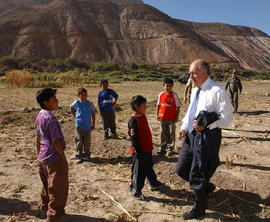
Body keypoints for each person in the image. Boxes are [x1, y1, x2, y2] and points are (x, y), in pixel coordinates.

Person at [176, 59, 234, 220]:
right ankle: (205, 187)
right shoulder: (196, 90)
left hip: (208, 136)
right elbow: (191, 111)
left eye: (193, 73)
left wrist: (207, 125)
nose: (190, 76)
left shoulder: (217, 90)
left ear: (204, 73)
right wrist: (184, 126)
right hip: (191, 135)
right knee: (181, 169)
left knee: (197, 173)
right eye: (190, 73)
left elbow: (226, 117)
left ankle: (199, 209)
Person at [35, 88, 69, 222]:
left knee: (46, 186)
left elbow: (38, 138)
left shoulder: (40, 115)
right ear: (46, 103)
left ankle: (44, 209)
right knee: (58, 190)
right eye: (54, 99)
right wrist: (63, 158)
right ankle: (54, 216)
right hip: (54, 158)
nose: (57, 101)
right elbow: (56, 141)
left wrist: (39, 156)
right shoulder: (51, 119)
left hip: (43, 158)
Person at [128, 95, 163, 199]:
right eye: (144, 106)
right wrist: (138, 152)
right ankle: (135, 190)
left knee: (148, 166)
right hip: (139, 151)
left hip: (147, 149)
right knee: (138, 172)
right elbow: (133, 139)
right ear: (136, 106)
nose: (145, 108)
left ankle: (153, 182)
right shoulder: (133, 120)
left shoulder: (143, 116)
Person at [70, 88, 97, 163]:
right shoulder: (77, 102)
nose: (85, 96)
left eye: (86, 94)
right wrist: (75, 116)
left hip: (87, 126)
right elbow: (71, 108)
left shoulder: (90, 103)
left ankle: (87, 154)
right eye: (83, 94)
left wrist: (93, 124)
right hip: (79, 126)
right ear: (78, 95)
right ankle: (78, 155)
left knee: (87, 141)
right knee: (79, 141)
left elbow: (93, 113)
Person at [156, 78, 181, 156]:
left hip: (171, 118)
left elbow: (178, 107)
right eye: (166, 86)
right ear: (163, 86)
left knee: (171, 133)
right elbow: (158, 105)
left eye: (170, 86)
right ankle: (162, 147)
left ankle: (170, 148)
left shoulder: (174, 95)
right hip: (162, 118)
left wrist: (177, 116)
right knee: (162, 133)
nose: (168, 88)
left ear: (172, 86)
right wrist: (157, 114)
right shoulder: (161, 95)